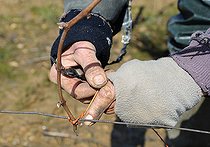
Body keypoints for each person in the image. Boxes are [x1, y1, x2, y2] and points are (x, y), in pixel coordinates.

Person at [49, 0, 210, 138]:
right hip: (187, 43)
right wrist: (84, 28)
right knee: (188, 136)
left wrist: (197, 68)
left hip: (193, 70)